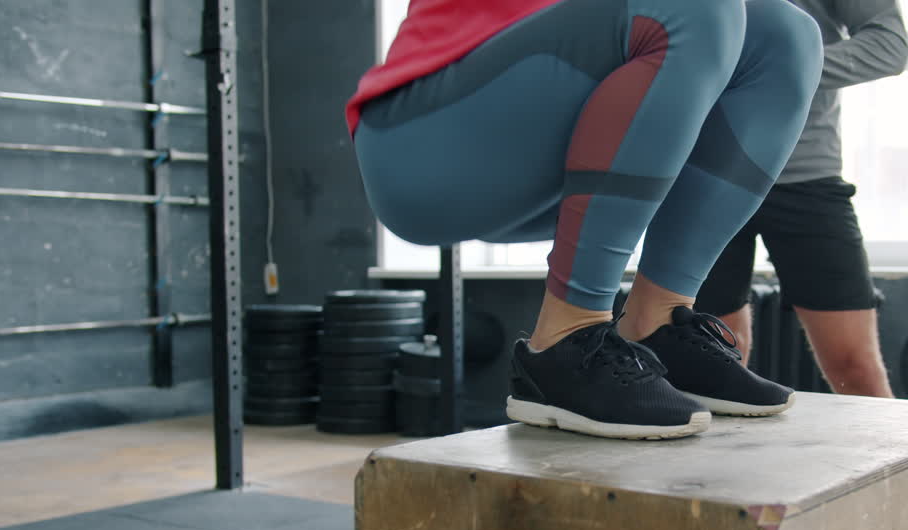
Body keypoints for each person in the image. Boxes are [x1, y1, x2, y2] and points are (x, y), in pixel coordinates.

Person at [347, 0, 824, 440]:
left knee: (787, 34)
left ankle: (658, 323)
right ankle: (563, 341)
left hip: (555, 141)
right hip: (425, 137)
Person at [694, 0, 908, 399]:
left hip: (806, 176)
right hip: (704, 174)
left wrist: (778, 68)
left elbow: (889, 46)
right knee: (715, 364)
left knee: (855, 368)